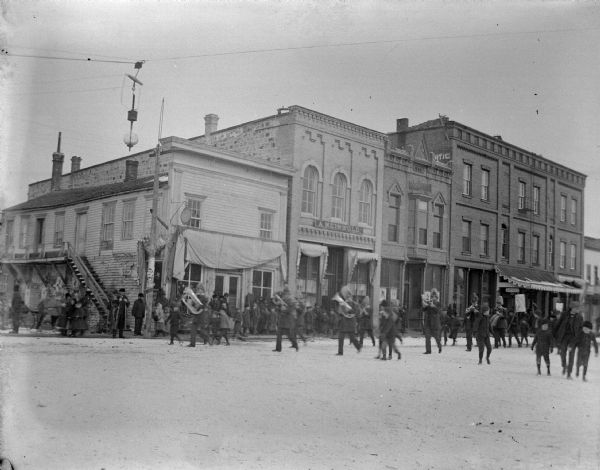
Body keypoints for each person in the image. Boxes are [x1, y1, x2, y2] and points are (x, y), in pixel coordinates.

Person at [553, 302, 584, 379]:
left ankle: (569, 374)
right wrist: (554, 334)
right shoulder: (564, 314)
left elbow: (581, 329)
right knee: (562, 353)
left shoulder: (580, 317)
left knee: (571, 356)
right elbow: (558, 324)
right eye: (577, 308)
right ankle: (564, 365)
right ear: (572, 308)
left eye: (578, 308)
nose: (578, 309)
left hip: (573, 338)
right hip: (564, 337)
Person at [335, 285, 361, 356]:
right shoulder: (343, 303)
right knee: (341, 338)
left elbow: (357, 312)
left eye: (349, 297)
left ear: (351, 297)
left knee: (352, 338)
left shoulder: (354, 304)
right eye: (347, 297)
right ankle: (340, 352)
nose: (348, 298)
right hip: (344, 323)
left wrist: (349, 312)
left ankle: (358, 347)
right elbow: (339, 312)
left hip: (350, 323)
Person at [273, 287, 298, 352]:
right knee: (278, 335)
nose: (285, 295)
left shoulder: (291, 301)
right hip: (281, 320)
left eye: (286, 293)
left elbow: (291, 310)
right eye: (284, 293)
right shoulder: (282, 300)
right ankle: (278, 349)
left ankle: (295, 345)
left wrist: (285, 309)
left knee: (290, 336)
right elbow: (279, 307)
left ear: (288, 293)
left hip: (287, 321)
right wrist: (278, 308)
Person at [422, 288, 442, 354]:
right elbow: (423, 309)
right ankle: (428, 350)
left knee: (437, 338)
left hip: (435, 324)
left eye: (434, 297)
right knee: (427, 338)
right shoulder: (429, 303)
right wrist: (425, 305)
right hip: (428, 323)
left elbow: (438, 311)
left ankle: (439, 347)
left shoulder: (438, 304)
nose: (433, 298)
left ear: (436, 297)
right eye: (432, 296)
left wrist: (433, 306)